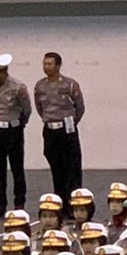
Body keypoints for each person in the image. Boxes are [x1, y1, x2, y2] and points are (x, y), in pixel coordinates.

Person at [0, 53, 32, 218]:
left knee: (17, 168)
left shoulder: (18, 87)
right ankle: (1, 203)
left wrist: (18, 124)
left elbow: (27, 110)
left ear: (5, 71)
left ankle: (19, 202)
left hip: (13, 130)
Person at [34, 51, 86, 199]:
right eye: (44, 64)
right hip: (50, 130)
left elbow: (80, 107)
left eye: (49, 64)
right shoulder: (40, 86)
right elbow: (39, 108)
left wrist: (71, 122)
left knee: (72, 167)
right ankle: (60, 199)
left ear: (58, 66)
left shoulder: (70, 84)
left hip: (67, 130)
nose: (46, 67)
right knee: (56, 166)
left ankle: (75, 200)